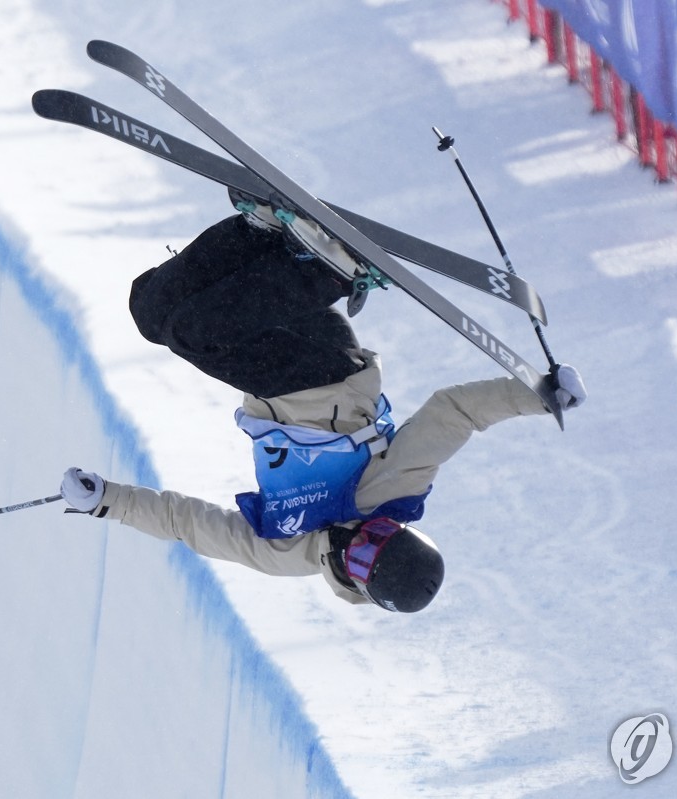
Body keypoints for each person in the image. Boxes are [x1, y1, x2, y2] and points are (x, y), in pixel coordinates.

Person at [61, 191, 587, 613]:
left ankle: (262, 234)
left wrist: (108, 500)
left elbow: (189, 523)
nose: (357, 534)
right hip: (327, 370)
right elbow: (455, 412)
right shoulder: (390, 493)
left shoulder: (282, 550)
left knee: (153, 310)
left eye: (360, 553)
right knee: (197, 334)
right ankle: (334, 272)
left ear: (355, 578)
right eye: (379, 533)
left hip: (279, 368)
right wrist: (539, 395)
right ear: (396, 527)